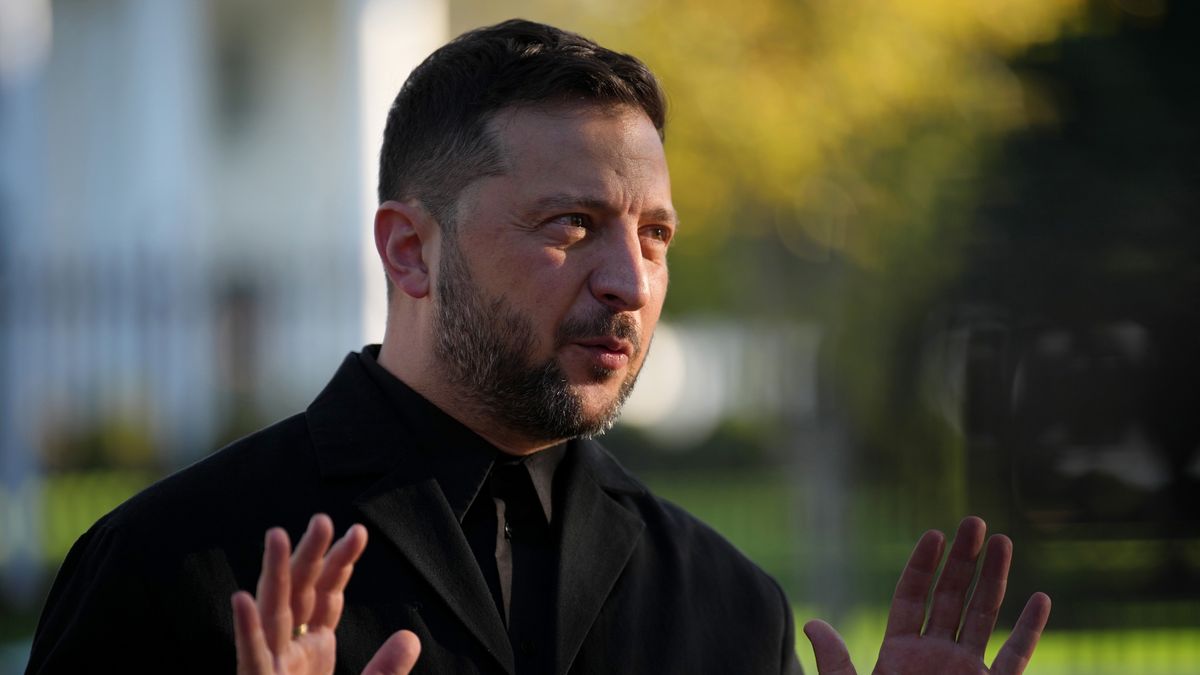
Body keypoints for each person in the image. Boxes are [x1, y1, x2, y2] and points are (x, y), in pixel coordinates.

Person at [25, 19, 1050, 675]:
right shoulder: (172, 567)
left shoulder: (726, 603)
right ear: (410, 250)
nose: (630, 283)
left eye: (655, 237)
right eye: (571, 225)